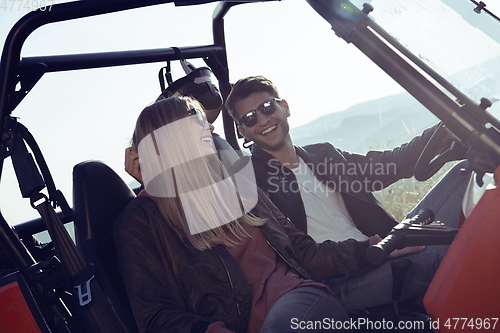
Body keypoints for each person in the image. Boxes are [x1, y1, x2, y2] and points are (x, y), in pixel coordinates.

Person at [114, 96, 379, 333]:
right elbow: (156, 316)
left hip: (296, 297)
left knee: (420, 260)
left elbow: (302, 252)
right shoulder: (141, 221)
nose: (210, 127)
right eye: (196, 120)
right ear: (170, 136)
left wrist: (368, 249)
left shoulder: (239, 184)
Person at [224, 75, 471, 312]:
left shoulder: (323, 154)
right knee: (438, 251)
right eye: (249, 118)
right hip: (340, 281)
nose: (262, 120)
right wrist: (369, 249)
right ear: (242, 131)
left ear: (285, 107)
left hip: (384, 246)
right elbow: (302, 257)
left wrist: (443, 131)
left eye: (267, 107)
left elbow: (388, 165)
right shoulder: (253, 184)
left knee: (466, 172)